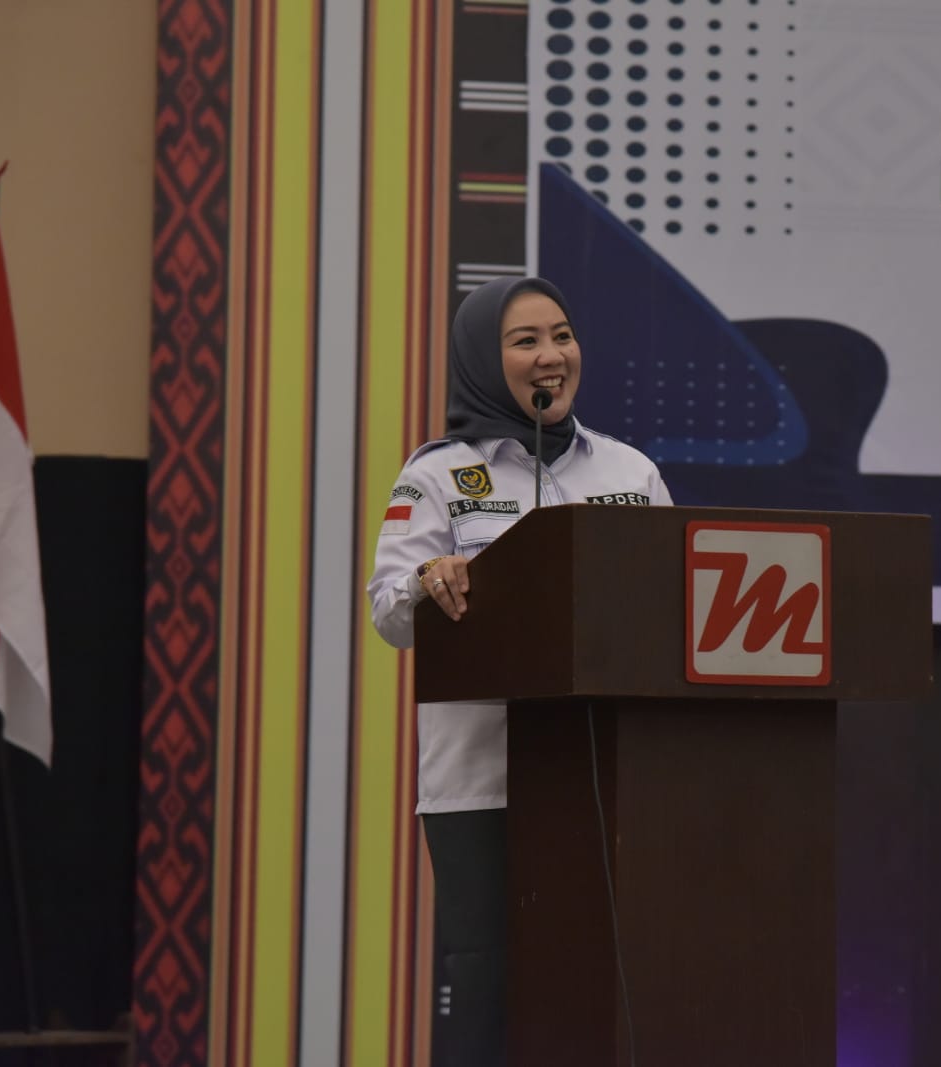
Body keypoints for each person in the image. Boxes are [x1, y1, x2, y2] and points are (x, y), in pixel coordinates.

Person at [368, 276, 671, 1066]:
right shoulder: (438, 474)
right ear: (481, 358)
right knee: (486, 999)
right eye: (525, 341)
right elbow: (388, 612)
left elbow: (675, 604)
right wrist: (428, 580)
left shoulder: (631, 472)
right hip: (482, 783)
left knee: (594, 994)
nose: (551, 356)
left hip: (605, 775)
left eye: (562, 335)